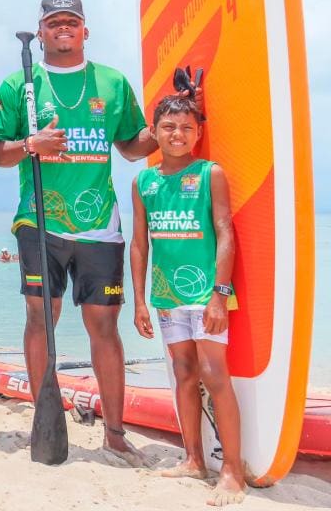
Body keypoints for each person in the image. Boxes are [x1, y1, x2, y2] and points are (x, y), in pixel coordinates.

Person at [0, 0, 162, 466]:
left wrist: (169, 122)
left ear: (85, 30)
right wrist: (31, 144)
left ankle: (115, 433)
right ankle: (41, 418)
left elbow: (132, 146)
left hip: (99, 226)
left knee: (103, 325)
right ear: (40, 31)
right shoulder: (19, 85)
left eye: (71, 21)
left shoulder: (111, 81)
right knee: (39, 317)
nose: (62, 27)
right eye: (53, 22)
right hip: (38, 220)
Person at [130, 95, 246, 506]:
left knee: (214, 375)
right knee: (183, 373)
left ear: (198, 133)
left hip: (205, 293)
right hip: (166, 294)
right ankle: (194, 460)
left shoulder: (210, 173)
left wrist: (220, 294)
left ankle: (232, 471)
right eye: (168, 127)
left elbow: (225, 232)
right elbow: (140, 243)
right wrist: (140, 300)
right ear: (154, 132)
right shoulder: (143, 181)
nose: (177, 135)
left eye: (186, 128)